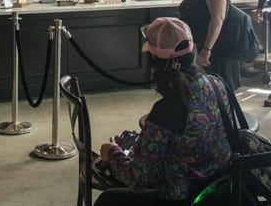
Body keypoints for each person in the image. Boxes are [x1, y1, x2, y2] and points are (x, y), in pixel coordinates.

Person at [95, 18, 232, 206]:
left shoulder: (165, 111)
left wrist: (112, 153)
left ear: (153, 60)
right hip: (221, 190)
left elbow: (141, 179)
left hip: (184, 197)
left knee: (108, 199)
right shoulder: (216, 84)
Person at [178, 0, 241, 91]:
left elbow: (217, 19)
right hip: (197, 47)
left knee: (218, 95)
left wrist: (206, 50)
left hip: (215, 53)